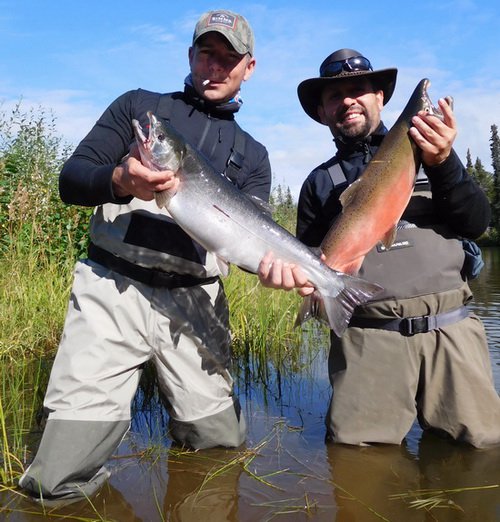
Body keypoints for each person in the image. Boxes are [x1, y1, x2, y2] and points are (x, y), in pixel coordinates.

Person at [19, 9, 272, 502]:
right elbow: (71, 179)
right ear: (190, 55)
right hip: (113, 290)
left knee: (219, 449)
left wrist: (275, 270)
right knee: (56, 481)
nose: (215, 66)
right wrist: (118, 180)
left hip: (194, 303)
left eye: (229, 58)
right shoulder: (140, 109)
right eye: (206, 53)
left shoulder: (253, 155)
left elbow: (247, 252)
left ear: (249, 67)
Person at [259, 48, 500, 448]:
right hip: (368, 340)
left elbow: (476, 224)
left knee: (482, 458)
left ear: (381, 98)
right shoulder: (319, 184)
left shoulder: (430, 150)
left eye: (358, 90)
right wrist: (291, 279)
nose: (347, 100)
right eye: (334, 96)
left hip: (452, 332)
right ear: (322, 111)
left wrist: (443, 163)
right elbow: (307, 267)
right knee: (361, 469)